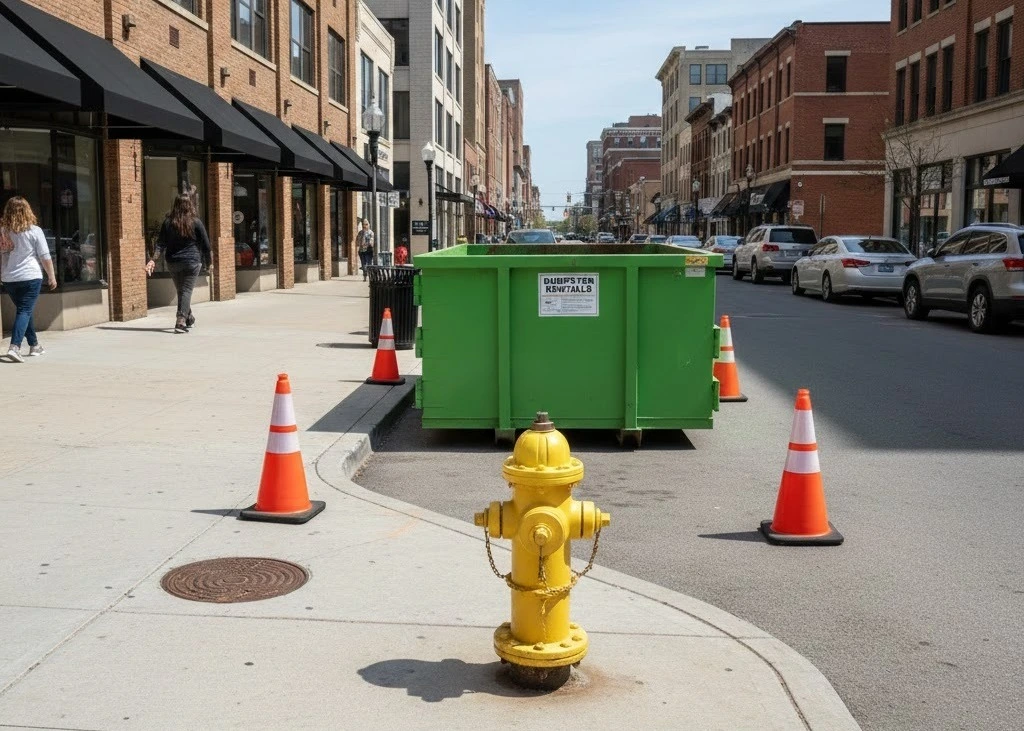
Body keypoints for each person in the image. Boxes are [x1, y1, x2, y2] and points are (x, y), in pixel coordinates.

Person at [145, 193, 211, 334]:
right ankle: (180, 321)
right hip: (192, 262)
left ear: (175, 205)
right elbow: (206, 245)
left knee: (182, 291)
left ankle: (189, 318)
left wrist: (153, 259)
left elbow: (160, 244)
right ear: (190, 205)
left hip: (173, 262)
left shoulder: (168, 222)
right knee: (185, 291)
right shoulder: (196, 222)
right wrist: (209, 263)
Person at [1, 197, 57, 362]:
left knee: (24, 310)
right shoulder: (34, 230)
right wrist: (51, 276)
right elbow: (45, 256)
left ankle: (34, 345)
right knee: (24, 311)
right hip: (30, 276)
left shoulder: (3, 231)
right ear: (27, 211)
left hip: (9, 278)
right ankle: (14, 347)